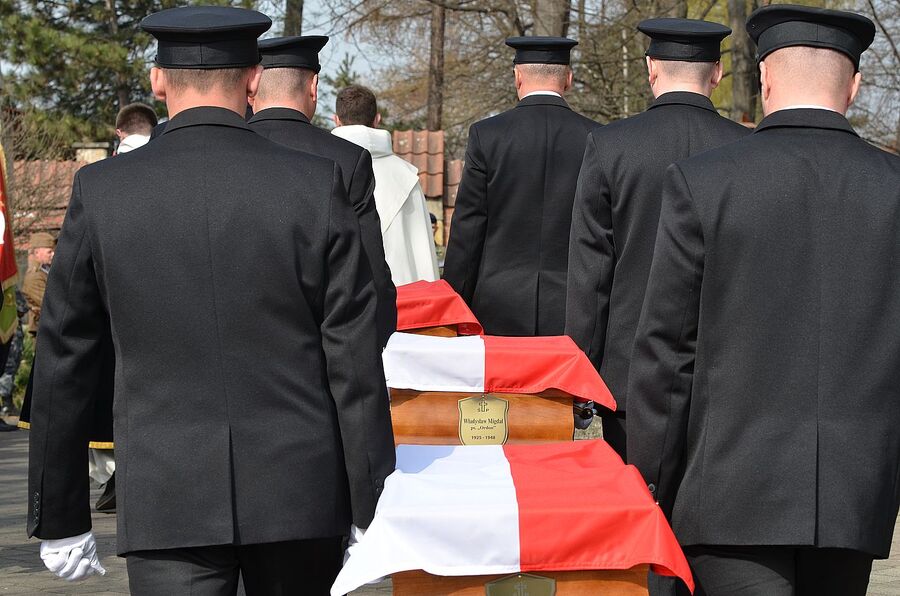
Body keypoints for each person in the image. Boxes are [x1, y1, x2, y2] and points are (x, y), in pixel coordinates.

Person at [27, 7, 395, 594]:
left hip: (167, 491)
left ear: (157, 80)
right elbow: (353, 359)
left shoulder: (103, 191)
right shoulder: (315, 184)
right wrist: (370, 501)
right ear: (254, 78)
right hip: (298, 490)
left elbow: (64, 356)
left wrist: (61, 514)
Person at [627, 6, 898, 595]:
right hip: (855, 492)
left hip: (728, 487)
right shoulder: (892, 189)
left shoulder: (704, 181)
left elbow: (667, 351)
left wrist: (648, 473)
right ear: (853, 85)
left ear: (766, 78)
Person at [565, 18, 748, 461]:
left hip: (629, 377)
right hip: (726, 374)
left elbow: (591, 276)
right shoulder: (750, 149)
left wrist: (580, 378)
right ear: (718, 73)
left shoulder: (610, 147)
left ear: (650, 69)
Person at [443, 37, 600, 336]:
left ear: (517, 76)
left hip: (497, 306)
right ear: (568, 79)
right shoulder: (598, 137)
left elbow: (468, 229)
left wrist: (455, 306)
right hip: (573, 308)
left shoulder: (486, 135)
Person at [247, 35, 396, 347]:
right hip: (318, 350)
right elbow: (371, 276)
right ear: (313, 87)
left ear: (251, 90)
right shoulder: (348, 159)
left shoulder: (221, 154)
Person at [332, 84, 440, 286]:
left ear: (336, 120)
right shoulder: (406, 177)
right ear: (377, 119)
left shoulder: (322, 170)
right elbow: (423, 255)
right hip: (402, 301)